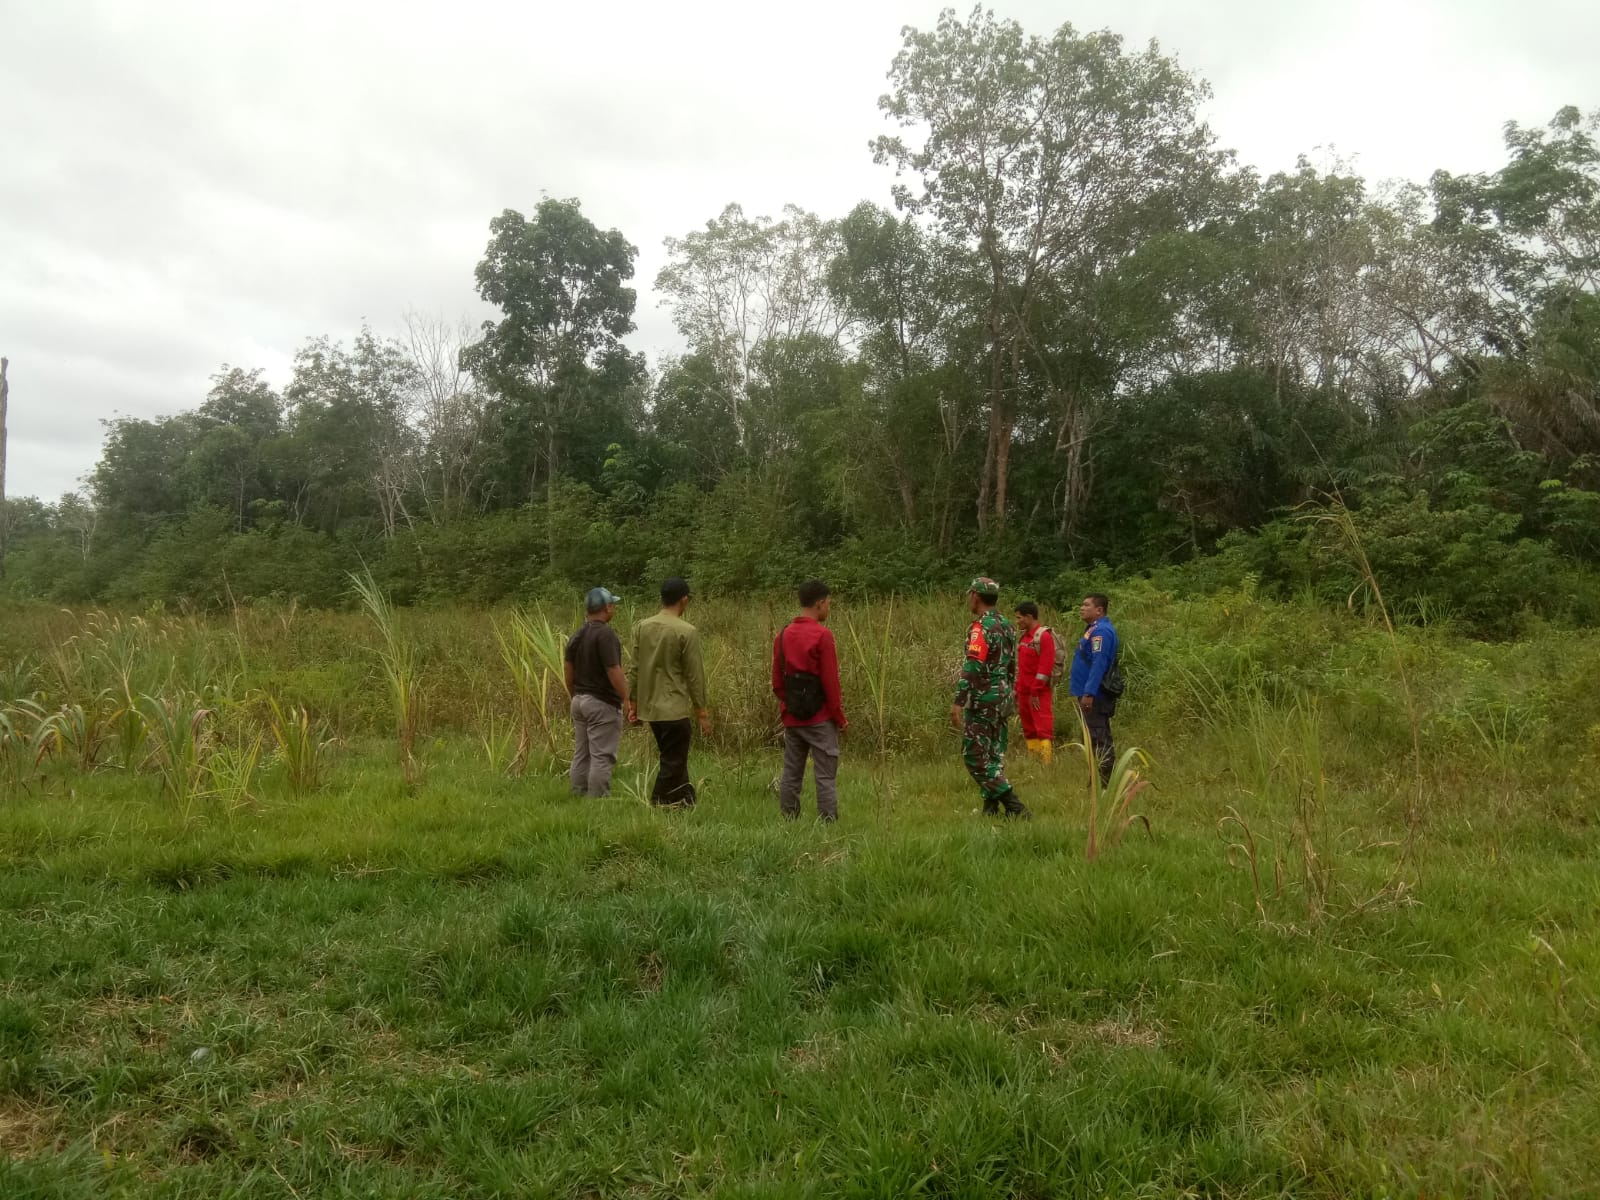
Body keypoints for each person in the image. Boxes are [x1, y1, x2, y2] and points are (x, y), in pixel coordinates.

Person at [948, 576, 1030, 818]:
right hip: (1002, 696)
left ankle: (1014, 806)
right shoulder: (1006, 625)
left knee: (974, 756)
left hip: (983, 699)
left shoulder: (981, 628)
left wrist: (958, 702)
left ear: (975, 595)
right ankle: (991, 808)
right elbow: (1012, 664)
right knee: (994, 753)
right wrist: (1010, 691)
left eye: (969, 594)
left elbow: (973, 666)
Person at [626, 576, 711, 808]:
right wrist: (702, 712)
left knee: (673, 756)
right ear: (684, 600)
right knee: (673, 760)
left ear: (662, 599)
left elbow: (634, 668)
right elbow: (695, 676)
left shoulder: (642, 627)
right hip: (673, 708)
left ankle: (684, 801)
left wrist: (632, 703)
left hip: (651, 708)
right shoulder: (687, 631)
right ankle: (658, 802)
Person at [772, 579, 848, 822]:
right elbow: (830, 682)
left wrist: (791, 704)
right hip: (821, 718)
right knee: (825, 776)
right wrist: (839, 717)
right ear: (819, 603)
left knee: (791, 773)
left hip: (792, 717)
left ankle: (788, 820)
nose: (829, 608)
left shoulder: (782, 636)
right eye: (828, 604)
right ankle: (828, 823)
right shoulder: (823, 636)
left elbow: (777, 682)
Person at [563, 587, 629, 798]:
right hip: (601, 703)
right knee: (601, 756)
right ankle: (598, 800)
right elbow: (613, 670)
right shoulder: (605, 635)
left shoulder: (578, 634)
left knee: (581, 754)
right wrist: (627, 698)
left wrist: (574, 693)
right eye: (613, 604)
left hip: (579, 701)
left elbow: (568, 667)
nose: (614, 608)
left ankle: (578, 794)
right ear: (607, 607)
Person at [1068, 593, 1120, 787]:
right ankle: (1097, 781)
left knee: (1098, 737)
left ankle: (1105, 785)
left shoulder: (1101, 632)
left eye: (1086, 605)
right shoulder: (1092, 630)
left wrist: (1089, 693)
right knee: (1092, 737)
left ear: (1099, 610)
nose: (1082, 608)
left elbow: (1099, 664)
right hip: (1087, 692)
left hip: (1095, 695)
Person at [1014, 601, 1057, 764]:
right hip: (1023, 691)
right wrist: (1017, 689)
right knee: (1029, 728)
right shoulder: (1024, 637)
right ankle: (1034, 762)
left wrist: (1035, 691)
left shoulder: (1043, 637)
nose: (1017, 621)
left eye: (1019, 618)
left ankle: (1046, 764)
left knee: (1042, 727)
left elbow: (1045, 668)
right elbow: (1022, 668)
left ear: (1029, 617)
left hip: (1038, 693)